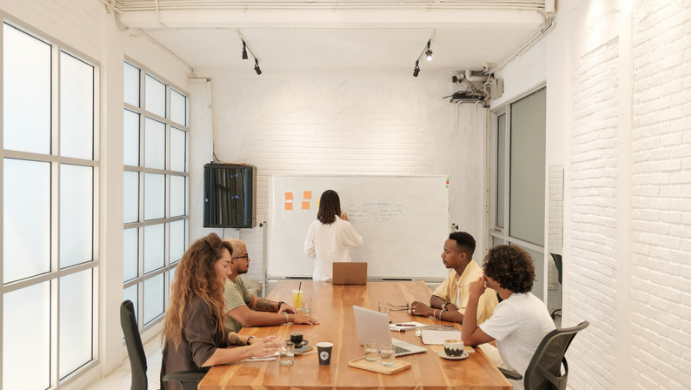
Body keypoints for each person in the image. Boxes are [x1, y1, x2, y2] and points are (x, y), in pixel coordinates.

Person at [160, 233, 279, 390]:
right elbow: (205, 357)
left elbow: (219, 332)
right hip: (193, 383)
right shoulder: (199, 304)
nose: (229, 272)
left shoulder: (198, 295)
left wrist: (250, 341)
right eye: (225, 265)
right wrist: (250, 351)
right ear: (208, 267)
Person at [461, 245, 556, 390]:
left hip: (521, 377)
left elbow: (467, 338)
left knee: (462, 348)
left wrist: (474, 296)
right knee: (466, 344)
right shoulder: (530, 299)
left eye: (487, 269)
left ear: (499, 276)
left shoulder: (511, 308)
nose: (483, 272)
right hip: (537, 374)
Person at [223, 238, 319, 332]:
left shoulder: (236, 279)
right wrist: (290, 318)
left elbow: (252, 301)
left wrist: (280, 305)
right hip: (230, 345)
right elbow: (248, 319)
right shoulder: (226, 286)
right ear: (232, 260)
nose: (249, 259)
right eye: (245, 256)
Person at [410, 232, 498, 324]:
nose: (442, 255)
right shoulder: (456, 272)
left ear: (462, 256)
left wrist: (430, 311)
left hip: (480, 336)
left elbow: (465, 317)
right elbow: (435, 298)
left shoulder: (475, 279)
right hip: (462, 330)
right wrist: (447, 305)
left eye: (447, 252)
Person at [304, 189, 364, 281]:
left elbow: (309, 252)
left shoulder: (314, 226)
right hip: (342, 279)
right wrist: (347, 222)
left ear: (321, 206)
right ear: (338, 206)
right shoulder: (344, 225)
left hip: (320, 280)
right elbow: (359, 242)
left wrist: (322, 254)